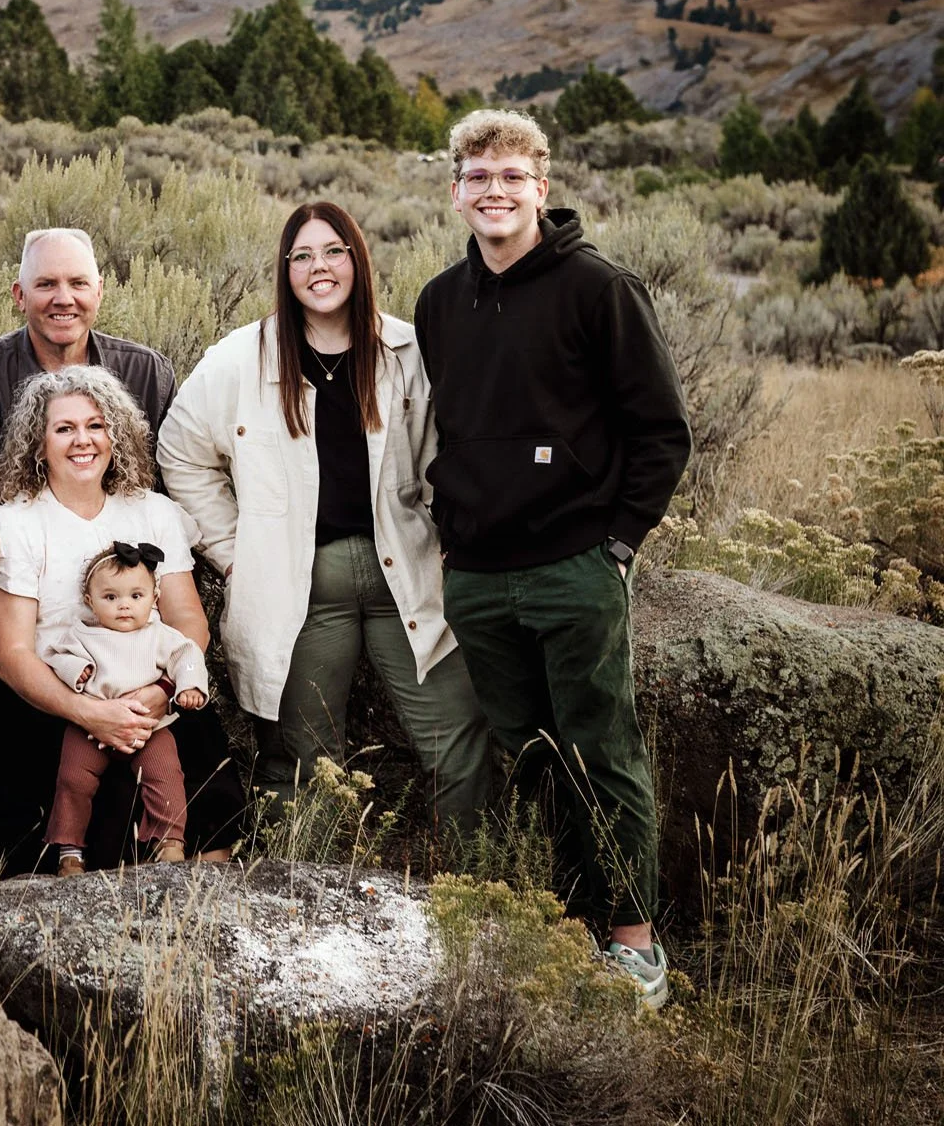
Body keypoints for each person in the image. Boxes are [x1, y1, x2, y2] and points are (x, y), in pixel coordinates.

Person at [413, 109, 691, 1009]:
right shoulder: (440, 301)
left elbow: (661, 432)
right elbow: (452, 427)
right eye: (477, 177)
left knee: (601, 750)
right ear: (456, 192)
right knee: (530, 756)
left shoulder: (599, 289)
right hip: (480, 575)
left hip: (576, 563)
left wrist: (616, 545)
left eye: (512, 177)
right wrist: (457, 536)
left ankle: (635, 944)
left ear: (542, 187)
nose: (494, 192)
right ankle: (566, 922)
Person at [157, 201, 490, 834]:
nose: (320, 267)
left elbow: (449, 451)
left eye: (334, 250)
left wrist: (452, 529)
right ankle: (316, 893)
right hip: (302, 586)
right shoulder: (243, 357)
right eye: (302, 255)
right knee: (308, 758)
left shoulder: (404, 350)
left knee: (459, 741)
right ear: (285, 271)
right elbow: (180, 451)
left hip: (405, 575)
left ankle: (471, 891)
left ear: (357, 259)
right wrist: (234, 550)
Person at [0, 228, 178, 862]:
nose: (64, 298)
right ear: (18, 294)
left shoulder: (143, 370)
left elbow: (170, 478)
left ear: (100, 292)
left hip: (113, 565)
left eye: (78, 283)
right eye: (47, 284)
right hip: (18, 564)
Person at [0, 366, 247, 872]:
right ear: (39, 445)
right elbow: (13, 654)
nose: (82, 440)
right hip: (52, 698)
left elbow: (189, 619)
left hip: (151, 686)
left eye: (96, 426)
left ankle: (208, 897)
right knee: (78, 831)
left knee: (206, 771)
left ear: (116, 436)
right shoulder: (16, 523)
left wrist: (159, 692)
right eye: (64, 429)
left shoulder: (153, 513)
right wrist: (88, 712)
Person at [42, 541, 209, 876]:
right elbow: (57, 656)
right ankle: (69, 850)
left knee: (166, 776)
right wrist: (78, 672)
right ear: (90, 602)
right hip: (91, 725)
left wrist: (189, 686)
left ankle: (170, 842)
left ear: (154, 598)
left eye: (136, 596)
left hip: (150, 727)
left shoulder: (159, 634)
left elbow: (186, 654)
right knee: (73, 779)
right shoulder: (84, 634)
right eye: (110, 597)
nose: (124, 606)